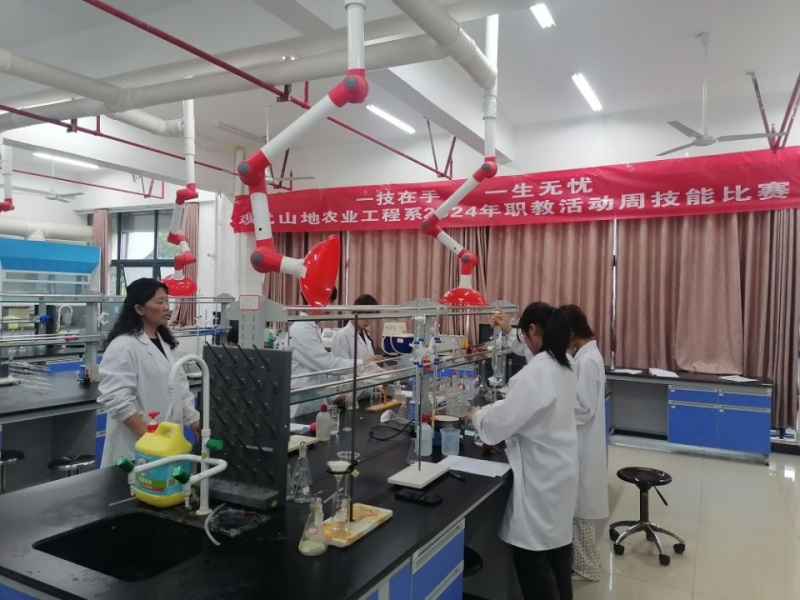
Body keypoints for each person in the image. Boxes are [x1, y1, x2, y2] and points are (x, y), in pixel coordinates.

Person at [467, 302, 578, 600]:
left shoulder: (534, 376)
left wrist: (476, 415)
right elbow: (533, 390)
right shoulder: (565, 363)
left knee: (534, 564)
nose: (522, 341)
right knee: (558, 557)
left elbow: (498, 425)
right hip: (561, 472)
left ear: (532, 329)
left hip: (540, 481)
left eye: (522, 334)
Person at [97, 278, 200, 467]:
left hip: (168, 445)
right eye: (159, 302)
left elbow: (180, 388)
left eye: (167, 301)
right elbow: (117, 400)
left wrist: (193, 420)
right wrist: (150, 438)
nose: (166, 307)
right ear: (139, 309)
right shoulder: (123, 345)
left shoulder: (166, 343)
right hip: (137, 449)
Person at [560, 305, 608, 582]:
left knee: (580, 512)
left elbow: (583, 407)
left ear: (572, 332)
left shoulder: (588, 361)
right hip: (582, 442)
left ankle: (587, 568)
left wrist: (555, 407)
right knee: (578, 512)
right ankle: (583, 564)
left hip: (582, 446)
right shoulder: (587, 356)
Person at [290, 287, 381, 416]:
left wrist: (333, 397)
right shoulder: (302, 330)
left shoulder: (311, 328)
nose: (330, 307)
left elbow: (319, 374)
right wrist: (361, 363)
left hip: (313, 399)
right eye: (329, 302)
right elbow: (327, 365)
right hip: (301, 402)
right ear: (315, 301)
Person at [331, 294, 380, 361]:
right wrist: (363, 362)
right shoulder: (341, 336)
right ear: (356, 312)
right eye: (366, 317)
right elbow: (340, 365)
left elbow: (370, 360)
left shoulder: (366, 334)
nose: (369, 321)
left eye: (372, 318)